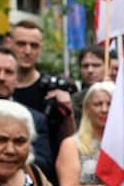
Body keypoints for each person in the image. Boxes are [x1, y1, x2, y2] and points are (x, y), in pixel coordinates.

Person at [56, 81, 119, 186]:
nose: (104, 109)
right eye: (98, 104)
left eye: (110, 103)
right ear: (87, 109)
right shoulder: (72, 145)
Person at [0, 45, 54, 180]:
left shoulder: (35, 119)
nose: (1, 77)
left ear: (16, 78)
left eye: (8, 72)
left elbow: (44, 166)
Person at [7, 20, 75, 161]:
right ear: (9, 44)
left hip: (45, 173)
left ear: (40, 49)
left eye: (34, 45)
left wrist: (67, 111)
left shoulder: (53, 89)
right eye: (21, 44)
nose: (27, 51)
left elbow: (70, 141)